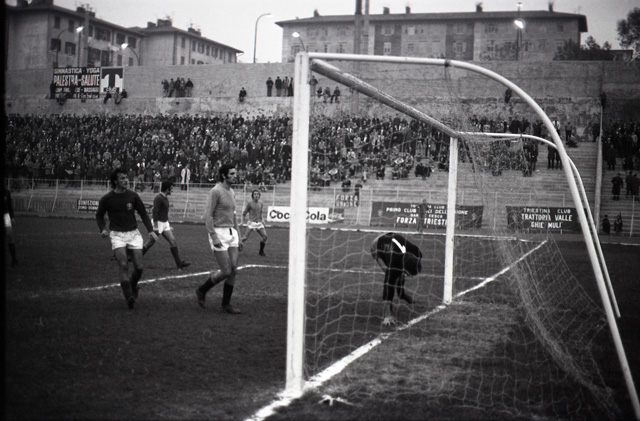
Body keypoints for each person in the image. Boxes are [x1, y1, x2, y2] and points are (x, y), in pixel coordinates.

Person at [96, 168, 158, 309]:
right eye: (122, 178)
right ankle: (129, 297)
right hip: (117, 235)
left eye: (126, 178)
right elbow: (99, 215)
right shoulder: (107, 198)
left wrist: (150, 231)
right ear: (115, 181)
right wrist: (103, 229)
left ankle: (133, 285)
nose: (126, 180)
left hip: (133, 234)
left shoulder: (133, 196)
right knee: (123, 264)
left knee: (139, 268)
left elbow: (143, 213)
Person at [196, 164, 244, 314]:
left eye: (235, 173)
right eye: (232, 173)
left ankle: (226, 304)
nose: (235, 176)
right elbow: (208, 215)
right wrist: (213, 235)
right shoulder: (215, 191)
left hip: (231, 233)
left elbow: (234, 216)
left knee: (234, 269)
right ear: (224, 175)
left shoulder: (232, 192)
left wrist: (239, 236)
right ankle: (202, 290)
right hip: (219, 232)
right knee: (226, 270)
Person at [370, 232, 422, 326]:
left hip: (390, 237)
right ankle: (387, 313)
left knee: (399, 274)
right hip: (377, 245)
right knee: (391, 276)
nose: (410, 277)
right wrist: (387, 316)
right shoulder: (394, 263)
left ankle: (401, 294)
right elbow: (387, 286)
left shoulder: (417, 252)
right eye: (408, 274)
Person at [142, 181, 191, 269]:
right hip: (158, 223)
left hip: (164, 223)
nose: (172, 190)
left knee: (173, 241)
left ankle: (179, 263)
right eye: (171, 188)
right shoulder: (158, 198)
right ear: (167, 189)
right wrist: (156, 226)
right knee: (150, 243)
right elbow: (155, 212)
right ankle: (136, 257)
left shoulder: (165, 198)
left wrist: (167, 224)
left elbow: (165, 212)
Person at [241, 190, 268, 256]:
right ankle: (234, 246)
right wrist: (243, 218)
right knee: (245, 237)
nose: (256, 195)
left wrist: (263, 220)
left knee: (265, 237)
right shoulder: (250, 203)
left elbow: (260, 213)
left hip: (259, 223)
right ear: (252, 196)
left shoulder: (261, 203)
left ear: (259, 195)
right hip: (251, 223)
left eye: (257, 194)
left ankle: (261, 252)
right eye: (255, 194)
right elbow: (245, 212)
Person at [4, 187, 18, 267]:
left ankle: (14, 259)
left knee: (9, 236)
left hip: (6, 216)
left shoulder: (7, 192)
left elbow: (10, 206)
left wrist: (12, 217)